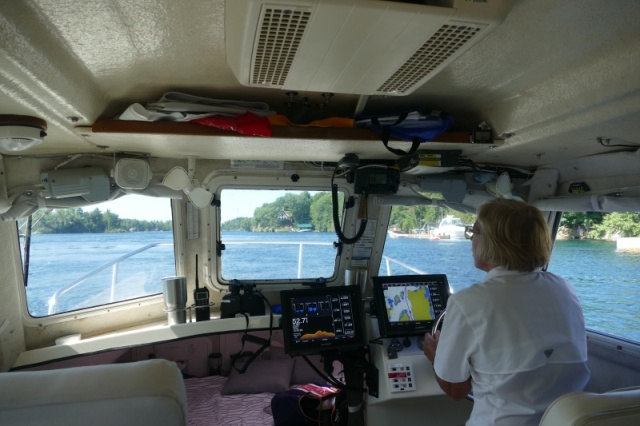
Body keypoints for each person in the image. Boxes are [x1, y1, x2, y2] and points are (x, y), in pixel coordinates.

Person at [423, 198, 590, 426]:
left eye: (475, 231)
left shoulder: (468, 302)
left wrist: (435, 355)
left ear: (492, 241)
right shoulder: (564, 288)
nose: (471, 237)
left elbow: (456, 390)